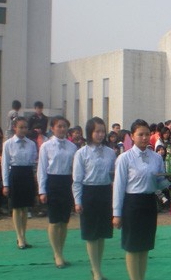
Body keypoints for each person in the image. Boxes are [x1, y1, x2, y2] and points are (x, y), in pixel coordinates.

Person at [113, 119, 170, 280]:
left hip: (149, 204)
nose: (144, 138)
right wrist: (116, 213)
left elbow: (159, 182)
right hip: (132, 204)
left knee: (144, 246)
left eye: (147, 134)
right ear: (132, 136)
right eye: (140, 134)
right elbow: (118, 187)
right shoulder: (125, 158)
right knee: (132, 246)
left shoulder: (156, 158)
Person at [72, 117, 116, 280]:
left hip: (105, 193)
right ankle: (95, 270)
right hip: (88, 193)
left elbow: (113, 176)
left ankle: (98, 268)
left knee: (102, 233)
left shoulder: (110, 152)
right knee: (91, 234)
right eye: (97, 131)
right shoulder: (81, 153)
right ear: (90, 132)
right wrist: (78, 201)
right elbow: (77, 180)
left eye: (102, 131)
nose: (100, 134)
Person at [38, 116, 78, 268]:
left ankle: (60, 251)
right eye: (59, 126)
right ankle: (57, 254)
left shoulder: (72, 147)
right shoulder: (46, 146)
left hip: (67, 183)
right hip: (53, 183)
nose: (62, 129)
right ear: (52, 128)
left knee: (64, 221)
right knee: (54, 221)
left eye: (64, 126)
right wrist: (42, 190)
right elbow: (41, 169)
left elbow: (75, 170)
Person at [2, 117, 37, 248]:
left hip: (27, 174)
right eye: (20, 127)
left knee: (25, 207)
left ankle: (24, 235)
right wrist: (6, 184)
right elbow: (5, 165)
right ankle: (19, 237)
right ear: (14, 128)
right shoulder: (8, 144)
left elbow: (34, 163)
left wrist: (35, 178)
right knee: (16, 207)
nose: (23, 130)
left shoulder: (32, 144)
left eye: (25, 127)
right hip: (15, 174)